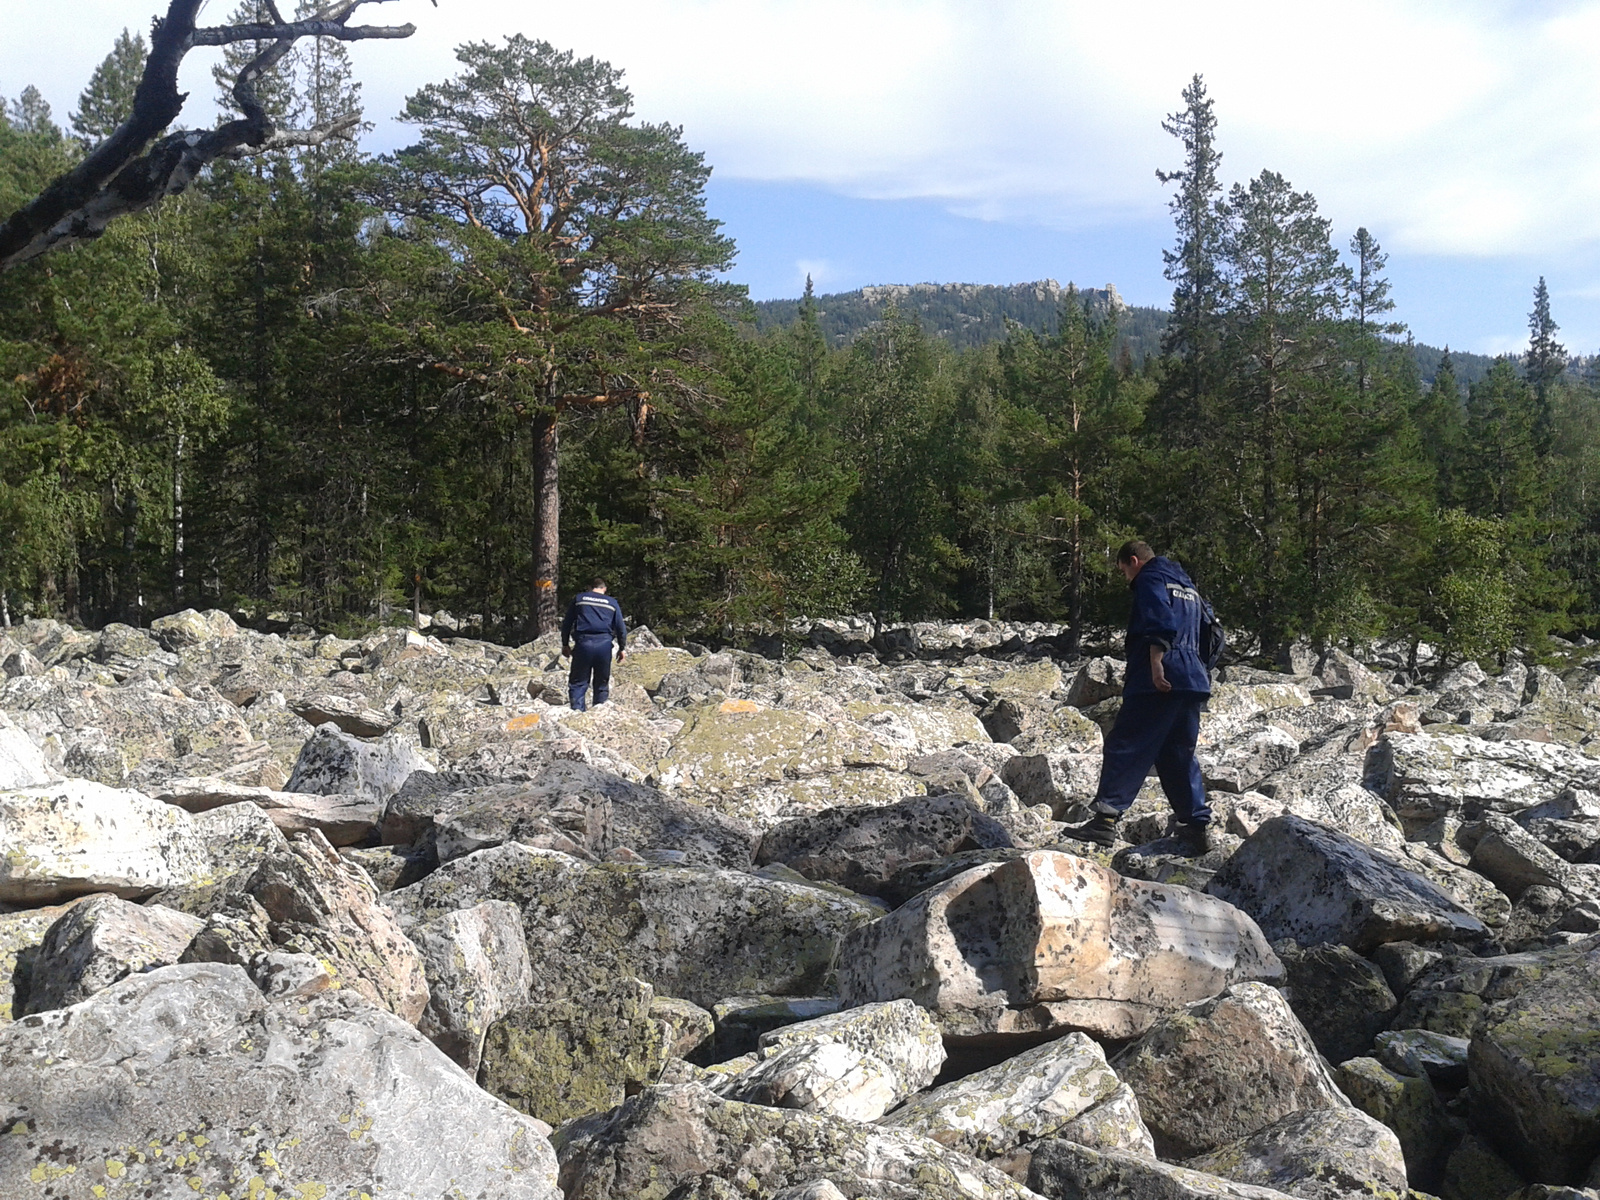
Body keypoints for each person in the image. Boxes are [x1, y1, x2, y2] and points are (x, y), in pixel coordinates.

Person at [1061, 540, 1214, 856]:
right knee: (1177, 753)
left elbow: (1159, 620)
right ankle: (1195, 828)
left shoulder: (1150, 578)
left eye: (1123, 571)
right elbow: (1213, 632)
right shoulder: (1187, 585)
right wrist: (1201, 669)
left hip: (1158, 678)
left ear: (1134, 561)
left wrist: (1157, 664)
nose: (1126, 579)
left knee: (1127, 744)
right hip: (1193, 678)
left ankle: (1105, 820)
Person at [561, 577, 628, 711]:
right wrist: (622, 648)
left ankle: (577, 712)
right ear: (604, 589)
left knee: (578, 682)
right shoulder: (612, 602)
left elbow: (567, 623)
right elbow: (621, 627)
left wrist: (565, 644)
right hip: (604, 644)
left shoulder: (580, 599)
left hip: (583, 643)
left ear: (589, 587)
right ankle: (599, 712)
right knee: (601, 683)